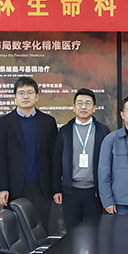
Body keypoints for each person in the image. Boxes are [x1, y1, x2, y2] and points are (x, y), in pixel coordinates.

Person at [0, 77, 58, 232]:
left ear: (37, 96)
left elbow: (54, 158)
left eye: (30, 92)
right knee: (16, 234)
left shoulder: (48, 122)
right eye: (21, 93)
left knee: (41, 232)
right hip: (14, 189)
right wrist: (2, 188)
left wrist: (56, 188)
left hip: (42, 189)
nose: (25, 96)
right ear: (15, 97)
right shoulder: (3, 123)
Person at [53, 88, 111, 232]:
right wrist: (56, 189)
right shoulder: (65, 131)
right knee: (73, 233)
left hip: (94, 193)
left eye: (87, 103)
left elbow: (110, 163)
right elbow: (56, 162)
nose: (83, 107)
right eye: (79, 103)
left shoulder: (103, 131)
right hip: (70, 192)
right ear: (74, 107)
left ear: (94, 108)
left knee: (95, 233)